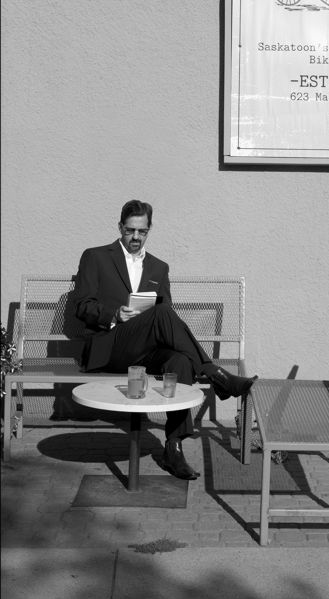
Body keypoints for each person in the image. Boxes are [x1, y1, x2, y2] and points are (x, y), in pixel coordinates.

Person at [73, 199, 257, 481]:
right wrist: (114, 314)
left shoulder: (159, 267)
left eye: (142, 232)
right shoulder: (95, 257)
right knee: (161, 311)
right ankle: (214, 372)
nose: (135, 237)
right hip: (110, 346)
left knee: (180, 360)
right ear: (120, 227)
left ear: (149, 230)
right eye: (130, 230)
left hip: (146, 351)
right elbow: (82, 306)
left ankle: (174, 447)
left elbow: (166, 318)